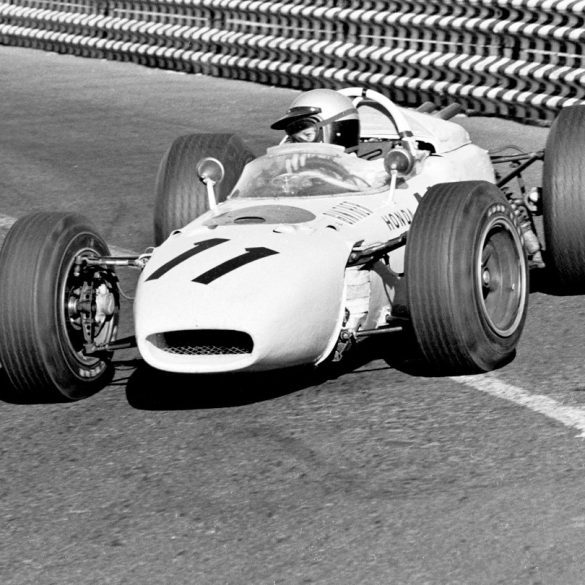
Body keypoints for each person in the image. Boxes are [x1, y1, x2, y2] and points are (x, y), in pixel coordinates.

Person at [270, 88, 361, 152]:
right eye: (295, 140)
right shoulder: (291, 165)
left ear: (336, 131)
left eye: (308, 135)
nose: (300, 146)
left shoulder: (361, 170)